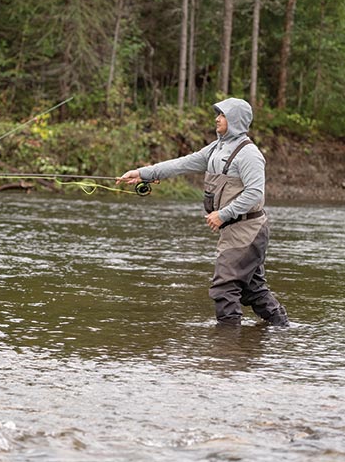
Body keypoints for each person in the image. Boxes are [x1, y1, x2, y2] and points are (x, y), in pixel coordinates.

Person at [117, 97, 289, 328]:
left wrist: (223, 214)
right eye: (218, 114)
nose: (217, 119)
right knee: (252, 290)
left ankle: (227, 346)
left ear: (236, 120)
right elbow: (182, 163)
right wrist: (143, 173)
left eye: (223, 115)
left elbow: (255, 193)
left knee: (224, 287)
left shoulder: (250, 154)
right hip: (235, 231)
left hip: (248, 231)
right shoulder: (216, 148)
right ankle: (281, 330)